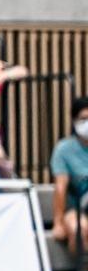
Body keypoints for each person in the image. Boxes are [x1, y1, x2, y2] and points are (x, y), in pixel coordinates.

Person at [50, 96, 88, 262]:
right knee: (79, 229)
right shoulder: (64, 149)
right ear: (74, 121)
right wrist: (58, 222)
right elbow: (60, 187)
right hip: (76, 208)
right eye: (83, 119)